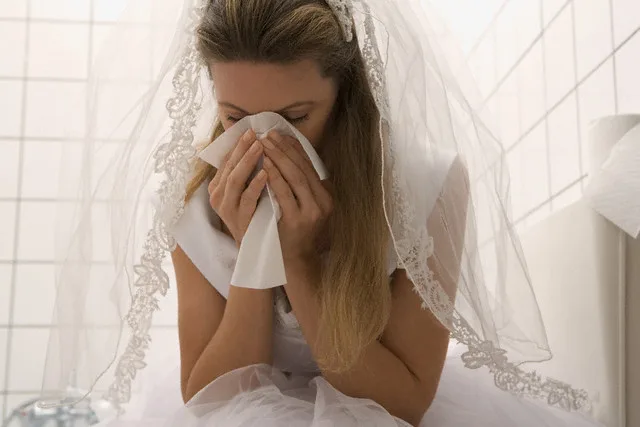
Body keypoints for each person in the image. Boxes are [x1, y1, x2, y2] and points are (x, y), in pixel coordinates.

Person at [39, 0, 604, 426]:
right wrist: (253, 256)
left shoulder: (424, 184)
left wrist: (300, 258)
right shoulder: (194, 199)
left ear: (347, 94)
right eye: (236, 116)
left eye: (296, 116)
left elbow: (403, 403)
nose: (263, 140)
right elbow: (211, 398)